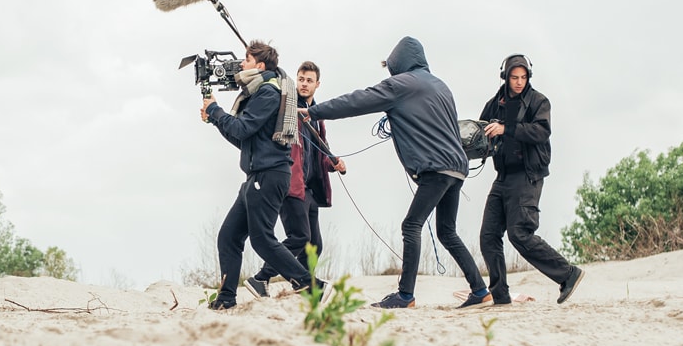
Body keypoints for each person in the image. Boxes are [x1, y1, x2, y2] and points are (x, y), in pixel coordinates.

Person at [303, 36, 490, 309]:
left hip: (436, 169)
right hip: (458, 167)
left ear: (398, 63)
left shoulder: (401, 84)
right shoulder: (441, 86)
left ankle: (405, 295)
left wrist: (315, 112)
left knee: (411, 225)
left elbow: (358, 100)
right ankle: (480, 289)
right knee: (447, 231)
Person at [201, 41, 322, 310]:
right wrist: (215, 119)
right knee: (228, 237)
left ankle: (310, 285)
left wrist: (215, 110)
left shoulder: (268, 92)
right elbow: (242, 138)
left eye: (246, 59)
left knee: (262, 239)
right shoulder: (258, 93)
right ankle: (226, 298)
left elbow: (242, 128)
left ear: (260, 65)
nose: (241, 64)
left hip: (269, 175)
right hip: (255, 176)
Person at [478, 54, 584, 305]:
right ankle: (500, 296)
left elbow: (541, 131)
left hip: (528, 176)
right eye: (514, 77)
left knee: (520, 233)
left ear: (529, 77)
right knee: (488, 236)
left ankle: (568, 274)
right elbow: (480, 130)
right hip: (502, 177)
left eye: (523, 77)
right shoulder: (495, 104)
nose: (518, 82)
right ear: (505, 77)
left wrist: (507, 128)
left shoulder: (539, 101)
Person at [244, 61, 346, 298]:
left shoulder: (317, 116)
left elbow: (319, 151)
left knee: (314, 245)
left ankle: (299, 284)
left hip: (309, 187)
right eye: (301, 79)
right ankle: (264, 278)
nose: (304, 84)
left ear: (317, 85)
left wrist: (333, 163)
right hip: (291, 183)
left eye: (309, 80)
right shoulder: (289, 108)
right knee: (299, 237)